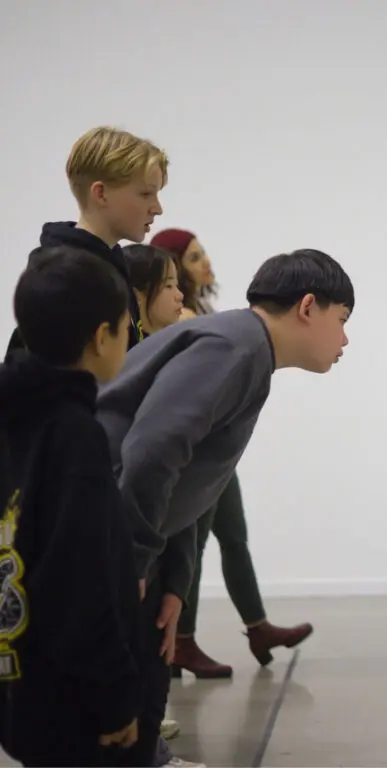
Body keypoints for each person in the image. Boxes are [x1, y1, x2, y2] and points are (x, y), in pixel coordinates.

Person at [96, 248, 353, 765]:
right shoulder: (234, 349)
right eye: (342, 321)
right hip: (101, 535)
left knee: (145, 675)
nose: (345, 339)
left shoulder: (245, 348)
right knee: (107, 695)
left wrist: (174, 578)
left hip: (127, 537)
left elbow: (188, 482)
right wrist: (136, 560)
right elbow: (151, 451)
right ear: (308, 307)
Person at [149, 229, 313, 678]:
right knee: (193, 546)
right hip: (197, 457)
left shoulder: (199, 314)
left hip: (216, 455)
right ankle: (182, 641)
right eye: (196, 257)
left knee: (234, 538)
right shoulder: (183, 318)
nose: (207, 264)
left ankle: (257, 626)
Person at [0, 247, 142, 766]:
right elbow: (79, 580)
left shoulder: (17, 419)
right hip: (75, 707)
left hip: (21, 686)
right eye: (128, 326)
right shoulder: (76, 435)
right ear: (102, 335)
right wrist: (113, 698)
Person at [122, 244, 201, 768]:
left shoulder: (167, 352)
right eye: (169, 284)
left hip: (162, 542)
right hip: (136, 545)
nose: (180, 293)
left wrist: (178, 580)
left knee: (153, 656)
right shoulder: (131, 365)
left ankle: (153, 749)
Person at [6, 125, 167, 357]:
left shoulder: (110, 264)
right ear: (101, 194)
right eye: (145, 194)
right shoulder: (64, 280)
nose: (157, 208)